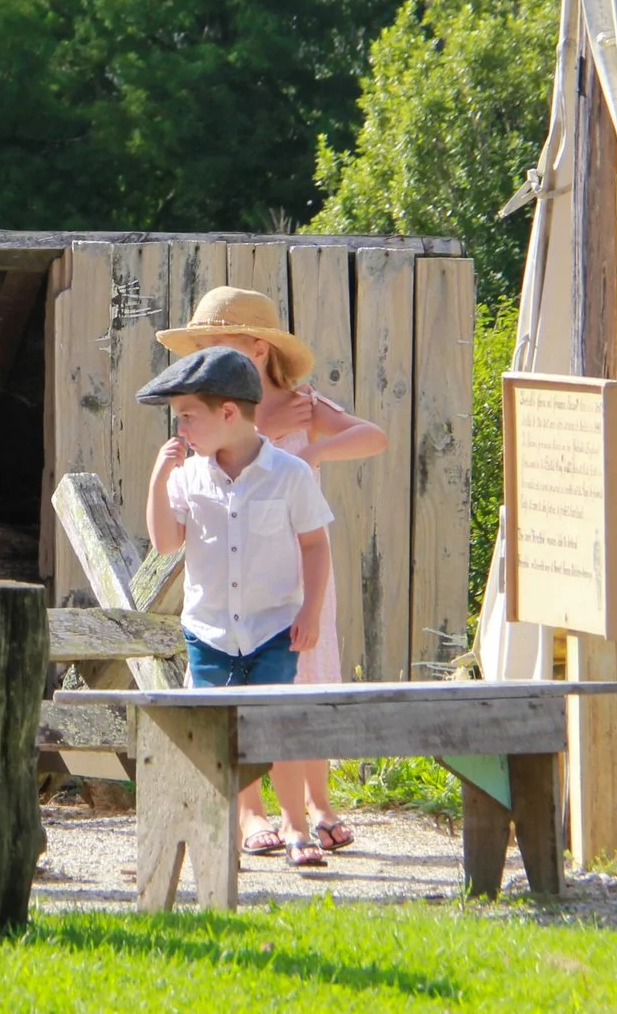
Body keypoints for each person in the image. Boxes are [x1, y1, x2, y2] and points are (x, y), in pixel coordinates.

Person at [155, 287, 386, 859]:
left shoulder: (302, 402)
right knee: (245, 685)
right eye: (201, 344)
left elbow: (373, 436)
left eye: (215, 341)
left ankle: (318, 802)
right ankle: (252, 813)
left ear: (257, 348)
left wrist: (311, 454)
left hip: (299, 561)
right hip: (235, 570)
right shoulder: (216, 411)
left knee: (302, 679)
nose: (206, 353)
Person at [139, 346, 336, 871]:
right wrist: (159, 481)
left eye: (187, 416)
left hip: (274, 625)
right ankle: (223, 828)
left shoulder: (290, 474)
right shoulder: (188, 475)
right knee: (213, 731)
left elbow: (316, 545)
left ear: (228, 413)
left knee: (273, 722)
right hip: (209, 630)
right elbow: (164, 543)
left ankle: (295, 823)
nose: (180, 428)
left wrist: (311, 611)